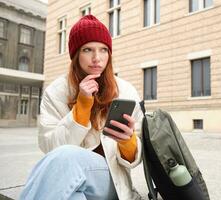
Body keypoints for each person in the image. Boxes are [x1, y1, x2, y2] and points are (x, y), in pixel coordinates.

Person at [20, 15, 144, 200]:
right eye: (88, 50)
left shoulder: (125, 90)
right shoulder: (56, 91)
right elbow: (51, 148)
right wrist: (82, 107)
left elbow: (136, 158)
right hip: (69, 175)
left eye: (103, 50)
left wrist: (128, 141)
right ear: (76, 54)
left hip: (110, 181)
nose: (96, 58)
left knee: (66, 159)